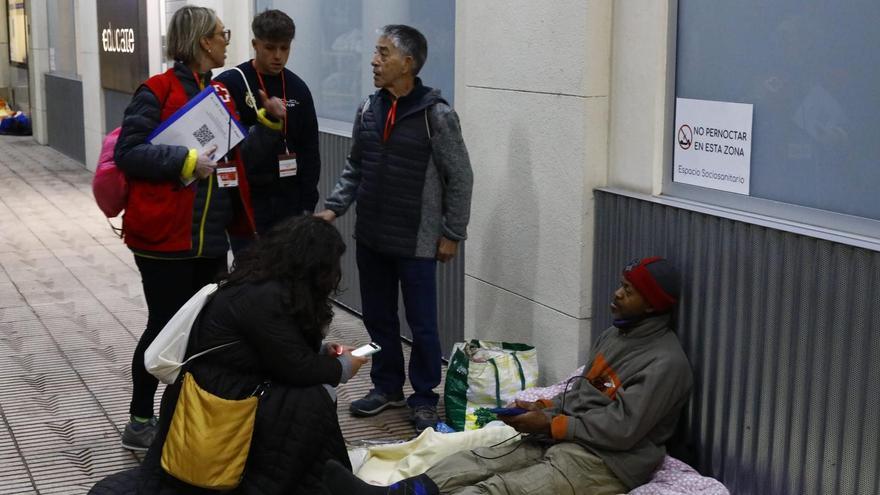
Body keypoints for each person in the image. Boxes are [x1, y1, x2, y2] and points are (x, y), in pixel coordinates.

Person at [322, 257, 694, 494]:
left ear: (652, 304)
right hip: (569, 436)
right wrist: (543, 411)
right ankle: (396, 493)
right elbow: (583, 393)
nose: (615, 295)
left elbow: (622, 430)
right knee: (479, 460)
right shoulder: (616, 335)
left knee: (499, 489)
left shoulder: (666, 364)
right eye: (620, 285)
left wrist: (552, 426)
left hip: (609, 462)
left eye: (627, 291)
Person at [114, 5, 285, 451]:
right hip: (164, 239)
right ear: (202, 42)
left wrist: (266, 125)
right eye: (220, 33)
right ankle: (138, 417)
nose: (227, 40)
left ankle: (187, 414)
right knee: (164, 328)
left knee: (202, 332)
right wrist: (185, 161)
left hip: (209, 239)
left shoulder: (222, 95)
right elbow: (128, 154)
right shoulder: (156, 91)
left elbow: (237, 161)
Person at [96, 216, 368, 494]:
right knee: (312, 400)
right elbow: (296, 367)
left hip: (227, 383)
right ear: (314, 265)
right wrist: (344, 367)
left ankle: (324, 478)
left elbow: (278, 350)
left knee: (310, 399)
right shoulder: (264, 297)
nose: (335, 274)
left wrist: (323, 352)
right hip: (221, 395)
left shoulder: (262, 284)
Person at [316, 24, 474, 433]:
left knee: (422, 325)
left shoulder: (436, 116)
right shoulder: (368, 109)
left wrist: (452, 232)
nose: (374, 60)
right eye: (375, 52)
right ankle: (386, 387)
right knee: (378, 319)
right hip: (372, 236)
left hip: (417, 240)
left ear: (408, 63)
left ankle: (424, 397)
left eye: (383, 53)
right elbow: (355, 167)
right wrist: (333, 209)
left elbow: (460, 177)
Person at [216, 9, 320, 252]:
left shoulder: (298, 88)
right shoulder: (231, 83)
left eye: (284, 49)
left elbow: (310, 150)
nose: (278, 56)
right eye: (270, 48)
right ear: (255, 44)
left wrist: (307, 205)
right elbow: (230, 154)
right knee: (252, 278)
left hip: (290, 202)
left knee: (290, 277)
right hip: (248, 203)